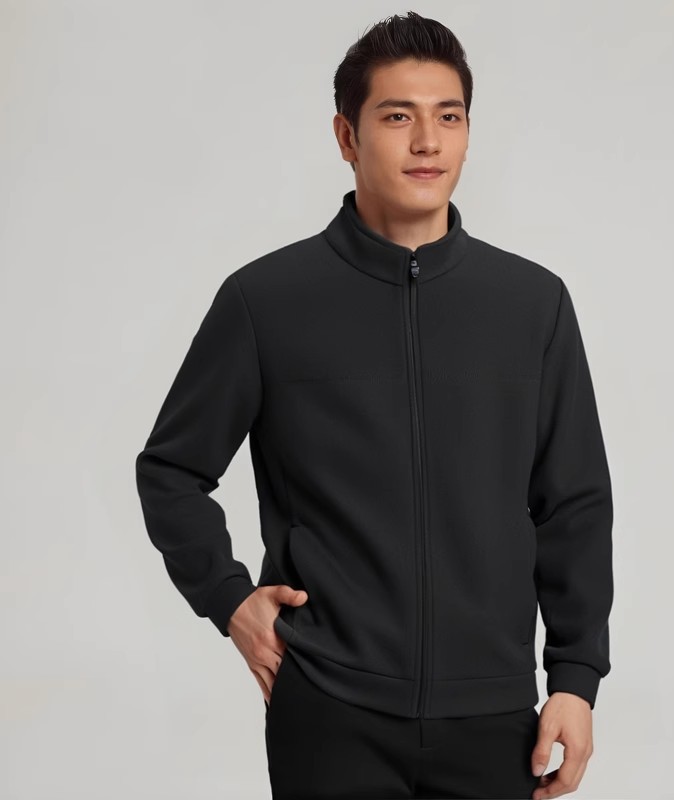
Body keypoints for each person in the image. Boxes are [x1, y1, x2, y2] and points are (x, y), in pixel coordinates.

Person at [134, 10, 614, 800]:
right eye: (397, 117)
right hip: (330, 709)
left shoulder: (532, 304)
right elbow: (171, 470)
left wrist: (576, 676)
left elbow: (574, 503)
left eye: (448, 117)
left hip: (494, 713)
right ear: (346, 136)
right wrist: (229, 600)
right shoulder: (267, 301)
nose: (427, 142)